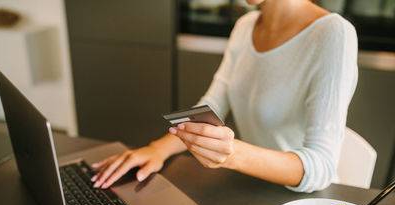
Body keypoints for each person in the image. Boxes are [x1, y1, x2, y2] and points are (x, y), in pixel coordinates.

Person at [91, 0, 358, 193]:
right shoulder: (245, 25)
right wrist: (157, 148)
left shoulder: (334, 34)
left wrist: (232, 155)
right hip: (250, 188)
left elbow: (321, 166)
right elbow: (211, 108)